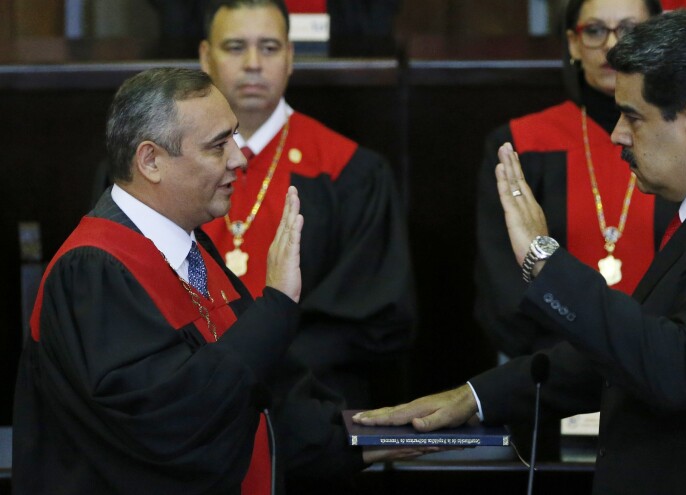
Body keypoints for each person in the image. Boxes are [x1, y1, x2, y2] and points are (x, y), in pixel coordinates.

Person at [356, 9, 686, 494]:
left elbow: (673, 370)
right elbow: (633, 347)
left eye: (632, 117)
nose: (617, 134)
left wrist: (543, 257)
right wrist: (475, 398)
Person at [12, 67, 422, 495]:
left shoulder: (192, 251)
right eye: (218, 146)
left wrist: (392, 432)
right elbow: (176, 428)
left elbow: (262, 412)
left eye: (235, 138)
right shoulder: (94, 270)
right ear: (151, 160)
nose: (240, 159)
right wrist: (276, 304)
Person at [198, 0, 415, 410]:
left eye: (269, 48)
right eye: (234, 47)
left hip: (306, 400)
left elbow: (373, 318)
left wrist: (254, 365)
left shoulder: (349, 170)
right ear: (205, 57)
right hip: (189, 399)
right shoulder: (169, 167)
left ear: (291, 57)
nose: (253, 64)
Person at [476, 0, 674, 360]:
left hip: (664, 363)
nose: (612, 47)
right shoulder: (522, 144)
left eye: (629, 29)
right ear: (572, 43)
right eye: (595, 30)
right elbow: (504, 288)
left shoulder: (685, 140)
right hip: (551, 368)